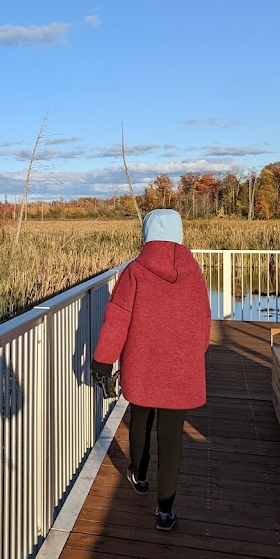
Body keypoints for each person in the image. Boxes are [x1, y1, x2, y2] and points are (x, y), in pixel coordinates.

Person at [91, 208, 211, 531]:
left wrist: (103, 361)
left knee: (141, 417)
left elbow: (116, 321)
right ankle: (165, 511)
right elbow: (203, 323)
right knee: (172, 438)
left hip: (142, 365)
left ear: (147, 235)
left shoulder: (134, 273)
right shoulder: (193, 273)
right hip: (181, 369)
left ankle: (139, 475)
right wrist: (194, 354)